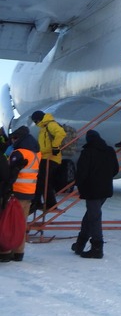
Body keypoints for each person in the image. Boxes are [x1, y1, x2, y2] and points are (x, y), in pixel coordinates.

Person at [73, 130, 120, 259]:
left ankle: (97, 248)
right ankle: (80, 244)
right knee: (91, 215)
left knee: (94, 217)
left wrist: (79, 185)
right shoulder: (109, 151)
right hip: (105, 189)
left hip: (91, 189)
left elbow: (82, 172)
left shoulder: (87, 152)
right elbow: (115, 169)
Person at [0, 129, 41, 262]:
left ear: (19, 139)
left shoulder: (19, 153)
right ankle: (19, 252)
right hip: (29, 192)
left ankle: (5, 252)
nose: (12, 141)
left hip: (16, 192)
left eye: (14, 138)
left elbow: (9, 173)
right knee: (21, 224)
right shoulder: (36, 153)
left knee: (8, 222)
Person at [30, 111, 66, 213]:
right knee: (42, 181)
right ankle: (38, 202)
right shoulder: (44, 127)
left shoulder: (51, 125)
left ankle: (47, 204)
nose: (35, 123)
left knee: (44, 181)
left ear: (39, 119)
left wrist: (55, 146)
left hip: (51, 157)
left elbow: (61, 133)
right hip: (45, 157)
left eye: (35, 121)